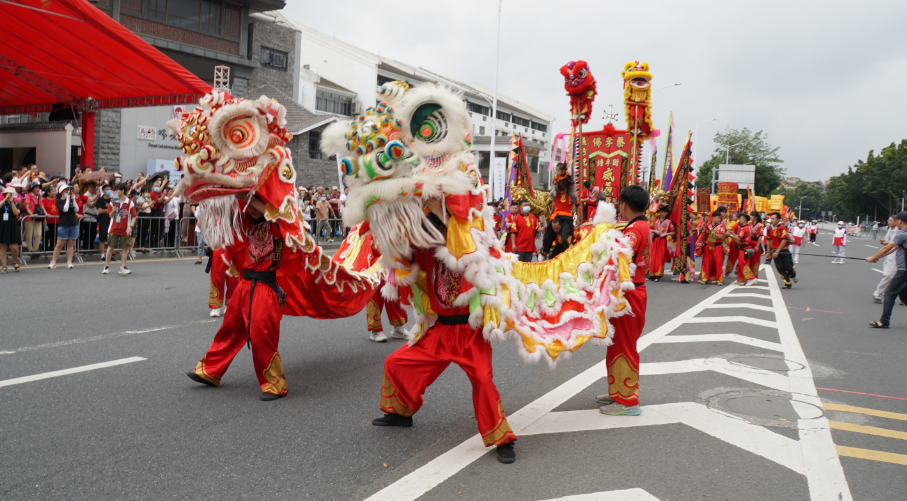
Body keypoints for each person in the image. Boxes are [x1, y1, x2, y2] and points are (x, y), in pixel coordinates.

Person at [187, 194, 289, 401]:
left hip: (265, 288)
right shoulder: (246, 223)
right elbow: (226, 211)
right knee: (230, 329)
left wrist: (249, 196)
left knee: (260, 335)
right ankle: (211, 371)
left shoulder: (279, 224)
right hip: (244, 286)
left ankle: (275, 384)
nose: (250, 208)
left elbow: (275, 214)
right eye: (248, 204)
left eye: (254, 203)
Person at [597, 185, 649, 416]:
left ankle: (628, 401)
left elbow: (616, 255)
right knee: (616, 343)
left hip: (630, 294)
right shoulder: (641, 226)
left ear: (624, 205)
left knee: (624, 346)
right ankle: (617, 390)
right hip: (631, 292)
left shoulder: (634, 231)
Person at [868, 212, 907, 328]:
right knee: (904, 296)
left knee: (889, 294)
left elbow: (887, 247)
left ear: (899, 221)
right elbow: (895, 248)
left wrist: (872, 258)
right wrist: (878, 257)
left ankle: (884, 321)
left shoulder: (903, 234)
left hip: (904, 271)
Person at [541, 163, 575, 258]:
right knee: (548, 234)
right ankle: (544, 251)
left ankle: (570, 253)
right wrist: (550, 217)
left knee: (565, 238)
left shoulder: (570, 188)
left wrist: (579, 219)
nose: (562, 192)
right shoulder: (555, 192)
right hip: (556, 215)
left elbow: (577, 205)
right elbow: (553, 204)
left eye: (563, 190)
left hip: (567, 217)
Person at [103, 183, 136, 275]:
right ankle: (106, 266)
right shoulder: (112, 202)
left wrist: (131, 226)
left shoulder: (129, 202)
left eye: (117, 190)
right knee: (110, 248)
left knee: (125, 248)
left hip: (125, 229)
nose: (116, 192)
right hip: (113, 228)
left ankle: (123, 267)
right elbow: (109, 215)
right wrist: (113, 211)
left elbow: (134, 216)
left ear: (122, 191)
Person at [49, 181, 80, 269]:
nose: (67, 191)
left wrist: (73, 199)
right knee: (59, 243)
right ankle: (53, 261)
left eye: (68, 190)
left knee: (70, 243)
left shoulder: (71, 200)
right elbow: (65, 209)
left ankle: (69, 261)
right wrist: (68, 199)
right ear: (61, 191)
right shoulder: (59, 201)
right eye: (65, 190)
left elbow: (76, 209)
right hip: (63, 224)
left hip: (73, 223)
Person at [765, 211, 796, 289]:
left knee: (789, 267)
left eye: (773, 219)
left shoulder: (781, 227)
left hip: (784, 251)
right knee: (780, 269)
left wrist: (777, 251)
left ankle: (793, 274)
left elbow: (784, 239)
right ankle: (788, 283)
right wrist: (769, 252)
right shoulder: (769, 228)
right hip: (774, 251)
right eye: (771, 219)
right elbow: (768, 240)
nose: (771, 220)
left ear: (778, 220)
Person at [873, 216, 899, 304]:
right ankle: (877, 293)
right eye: (888, 220)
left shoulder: (899, 231)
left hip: (898, 257)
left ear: (897, 222)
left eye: (891, 220)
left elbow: (894, 244)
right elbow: (889, 244)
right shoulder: (890, 230)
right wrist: (884, 242)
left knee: (899, 277)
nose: (889, 222)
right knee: (889, 276)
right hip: (891, 257)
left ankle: (902, 296)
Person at [728, 213, 758, 285]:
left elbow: (738, 238)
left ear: (744, 220)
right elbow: (741, 237)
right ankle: (741, 280)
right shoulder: (748, 227)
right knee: (743, 263)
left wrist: (731, 235)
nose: (739, 220)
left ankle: (751, 278)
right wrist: (734, 234)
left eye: (740, 219)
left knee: (742, 264)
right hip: (747, 247)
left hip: (744, 248)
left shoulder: (744, 228)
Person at [698, 210, 726, 285]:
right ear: (713, 217)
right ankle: (705, 278)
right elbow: (704, 235)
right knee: (706, 262)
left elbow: (722, 236)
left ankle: (719, 279)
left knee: (718, 263)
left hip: (718, 246)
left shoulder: (721, 226)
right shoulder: (707, 225)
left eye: (720, 218)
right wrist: (704, 232)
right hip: (708, 246)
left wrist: (712, 233)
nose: (719, 220)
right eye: (718, 218)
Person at [649, 206, 674, 281]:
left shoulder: (669, 222)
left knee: (660, 257)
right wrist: (655, 231)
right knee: (653, 257)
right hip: (655, 240)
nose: (662, 213)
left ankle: (658, 275)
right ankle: (652, 274)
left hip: (663, 241)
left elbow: (673, 231)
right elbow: (649, 228)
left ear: (666, 213)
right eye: (661, 212)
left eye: (664, 212)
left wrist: (665, 234)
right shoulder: (656, 220)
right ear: (659, 212)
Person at [0, 186, 22, 273]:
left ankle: (14, 262)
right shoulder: (2, 203)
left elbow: (16, 212)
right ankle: (4, 266)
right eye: (8, 194)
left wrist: (12, 202)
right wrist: (5, 199)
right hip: (3, 225)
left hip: (13, 226)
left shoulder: (16, 204)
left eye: (11, 194)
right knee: (2, 247)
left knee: (14, 247)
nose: (9, 196)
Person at [22, 181, 44, 255]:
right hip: (29, 218)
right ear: (32, 189)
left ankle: (35, 250)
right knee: (29, 234)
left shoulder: (38, 197)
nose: (38, 189)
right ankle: (30, 250)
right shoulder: (28, 196)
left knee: (38, 234)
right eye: (36, 188)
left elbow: (42, 206)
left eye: (38, 188)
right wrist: (32, 214)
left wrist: (46, 213)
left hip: (38, 217)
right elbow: (27, 207)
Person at [96, 184, 111, 260]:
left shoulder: (112, 200)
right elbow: (100, 211)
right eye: (107, 189)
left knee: (111, 239)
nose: (108, 191)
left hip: (111, 221)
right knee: (103, 239)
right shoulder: (100, 200)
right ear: (103, 191)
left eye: (109, 189)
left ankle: (109, 255)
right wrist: (109, 209)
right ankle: (102, 256)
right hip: (103, 221)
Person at [41, 186, 58, 252]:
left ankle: (52, 250)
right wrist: (44, 219)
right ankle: (45, 250)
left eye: (55, 191)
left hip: (56, 221)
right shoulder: (44, 200)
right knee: (46, 236)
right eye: (53, 191)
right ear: (48, 192)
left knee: (54, 237)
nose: (54, 192)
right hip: (47, 222)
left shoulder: (57, 199)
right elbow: (43, 210)